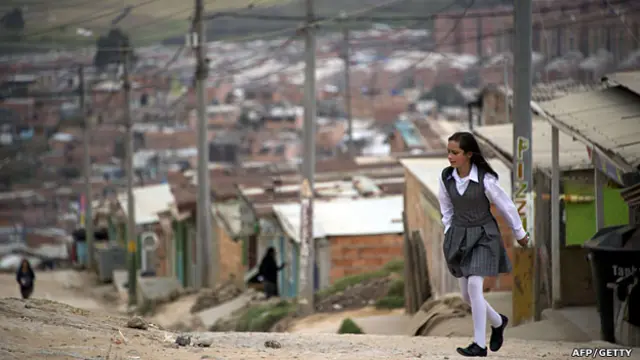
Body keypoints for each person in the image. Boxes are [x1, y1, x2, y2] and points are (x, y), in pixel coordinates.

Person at [438, 132, 530, 357]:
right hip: (458, 238)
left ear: (469, 154)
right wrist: (449, 230)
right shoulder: (446, 178)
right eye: (449, 152)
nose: (450, 157)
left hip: (483, 236)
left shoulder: (486, 180)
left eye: (455, 153)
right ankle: (498, 322)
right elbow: (446, 207)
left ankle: (479, 344)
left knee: (474, 287)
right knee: (467, 297)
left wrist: (520, 233)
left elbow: (506, 206)